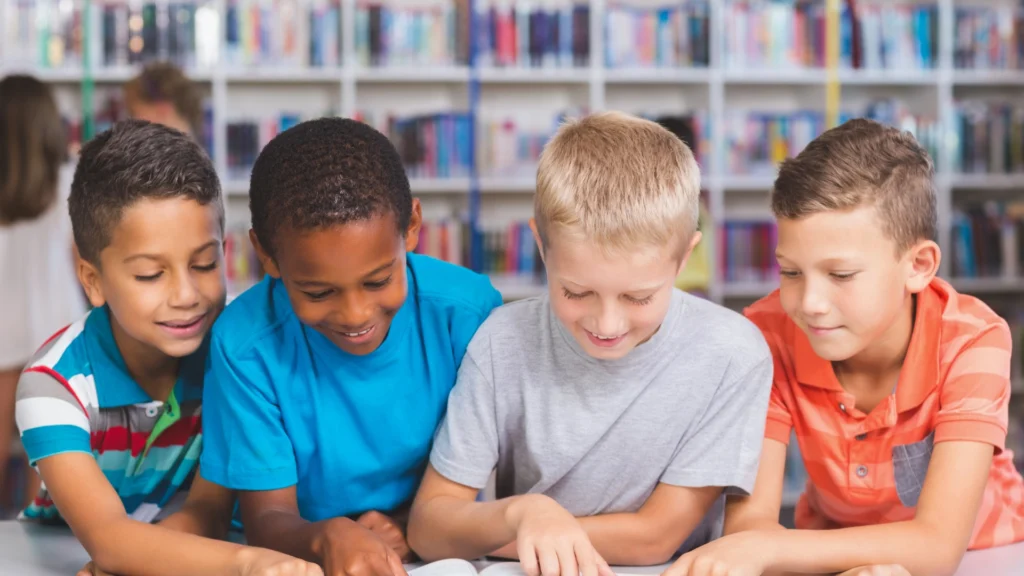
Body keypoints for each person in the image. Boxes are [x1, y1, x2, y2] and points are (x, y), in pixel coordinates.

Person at [406, 112, 773, 576]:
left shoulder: (732, 353)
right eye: (576, 292)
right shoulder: (501, 342)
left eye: (638, 297)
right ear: (541, 246)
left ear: (686, 256)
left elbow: (654, 539)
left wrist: (517, 537)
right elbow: (428, 528)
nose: (607, 322)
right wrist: (525, 515)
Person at [667, 119, 1024, 576]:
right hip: (835, 564)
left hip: (989, 559)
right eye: (791, 273)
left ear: (918, 266)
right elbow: (749, 526)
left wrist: (766, 547)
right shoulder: (767, 334)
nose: (810, 304)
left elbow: (938, 545)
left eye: (840, 275)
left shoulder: (973, 338)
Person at [15, 119, 320, 576]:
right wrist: (252, 563)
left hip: (200, 549)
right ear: (92, 280)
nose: (185, 295)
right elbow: (109, 539)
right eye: (150, 275)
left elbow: (210, 509)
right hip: (56, 552)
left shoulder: (238, 349)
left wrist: (135, 558)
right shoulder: (53, 386)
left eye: (203, 263)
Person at [200, 117, 503, 576]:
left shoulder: (468, 314)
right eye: (318, 293)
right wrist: (328, 536)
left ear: (413, 227)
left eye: (379, 280)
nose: (356, 314)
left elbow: (483, 475)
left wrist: (410, 525)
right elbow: (266, 520)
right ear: (265, 255)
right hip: (297, 554)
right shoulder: (244, 346)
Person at [0, 74, 85, 517]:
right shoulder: (70, 182)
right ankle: (39, 533)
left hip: (2, 324)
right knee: (48, 444)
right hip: (56, 328)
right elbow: (81, 262)